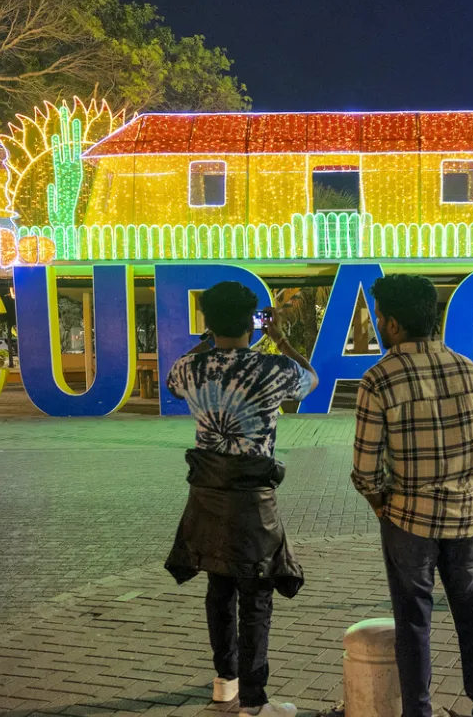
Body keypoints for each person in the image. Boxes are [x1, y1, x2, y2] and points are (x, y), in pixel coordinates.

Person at [351, 274, 473, 717]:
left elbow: (365, 471)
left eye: (379, 318)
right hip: (468, 520)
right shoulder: (471, 372)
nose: (378, 325)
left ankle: (418, 712)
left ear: (394, 324)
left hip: (407, 523)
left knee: (413, 625)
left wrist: (382, 505)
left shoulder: (378, 379)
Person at [163, 281, 318, 717]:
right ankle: (255, 699)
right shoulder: (271, 368)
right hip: (254, 497)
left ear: (209, 322)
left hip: (207, 494)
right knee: (257, 593)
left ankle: (224, 681)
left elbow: (175, 379)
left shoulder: (191, 369)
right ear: (252, 322)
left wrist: (206, 342)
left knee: (219, 585)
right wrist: (280, 337)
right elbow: (311, 377)